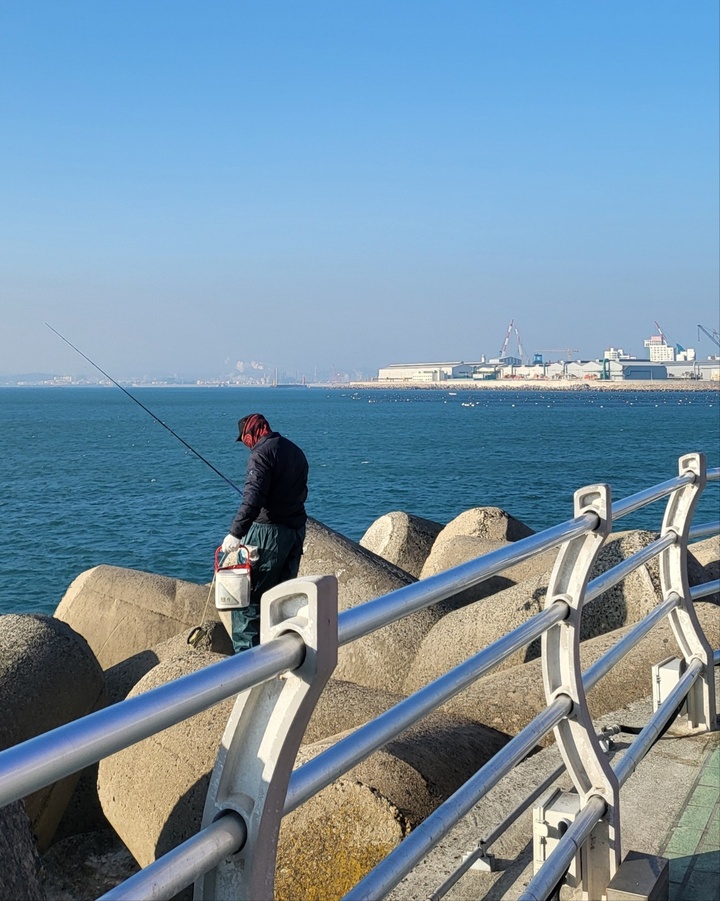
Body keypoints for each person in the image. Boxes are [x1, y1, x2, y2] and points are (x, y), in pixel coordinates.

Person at [221, 413, 308, 653]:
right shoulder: (294, 451)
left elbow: (252, 498)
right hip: (295, 531)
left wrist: (235, 533)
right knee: (281, 599)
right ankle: (281, 654)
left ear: (252, 433)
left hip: (267, 534)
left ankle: (247, 664)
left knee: (246, 601)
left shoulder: (260, 455)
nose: (246, 444)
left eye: (245, 438)